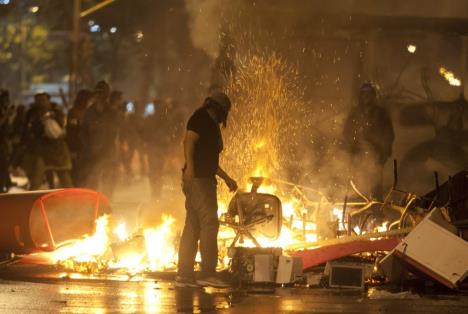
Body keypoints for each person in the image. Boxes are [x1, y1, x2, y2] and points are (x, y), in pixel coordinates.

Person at [176, 92, 238, 288]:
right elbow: (189, 142)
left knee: (193, 226)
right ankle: (207, 273)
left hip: (202, 178)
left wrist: (226, 178)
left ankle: (185, 275)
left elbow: (209, 160)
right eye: (223, 112)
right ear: (217, 108)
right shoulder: (200, 118)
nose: (223, 117)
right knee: (210, 224)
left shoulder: (210, 123)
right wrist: (191, 171)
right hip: (199, 180)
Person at [343, 83, 394, 198]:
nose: (366, 97)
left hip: (375, 154)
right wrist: (351, 149)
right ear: (360, 96)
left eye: (369, 94)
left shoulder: (381, 114)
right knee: (357, 183)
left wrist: (384, 153)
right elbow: (347, 132)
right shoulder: (354, 113)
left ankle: (376, 210)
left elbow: (388, 134)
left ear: (373, 96)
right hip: (358, 154)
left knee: (375, 183)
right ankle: (357, 209)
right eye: (363, 94)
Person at [21, 93, 72, 190]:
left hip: (58, 150)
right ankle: (30, 201)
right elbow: (28, 130)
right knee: (36, 180)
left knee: (64, 178)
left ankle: (73, 200)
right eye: (38, 101)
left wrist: (53, 118)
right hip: (41, 151)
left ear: (48, 101)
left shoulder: (57, 112)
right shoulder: (32, 113)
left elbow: (63, 127)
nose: (41, 103)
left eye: (43, 100)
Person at [81, 82, 122, 198]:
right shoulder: (88, 112)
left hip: (108, 154)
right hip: (91, 154)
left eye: (103, 93)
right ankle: (92, 208)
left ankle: (106, 209)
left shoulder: (113, 113)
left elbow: (113, 134)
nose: (100, 96)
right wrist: (88, 148)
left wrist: (104, 151)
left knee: (108, 184)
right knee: (91, 184)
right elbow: (83, 132)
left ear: (107, 95)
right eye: (98, 93)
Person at [66, 89, 93, 186]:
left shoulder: (91, 112)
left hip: (89, 149)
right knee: (77, 174)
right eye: (90, 100)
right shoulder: (74, 113)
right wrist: (73, 150)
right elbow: (72, 132)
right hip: (78, 148)